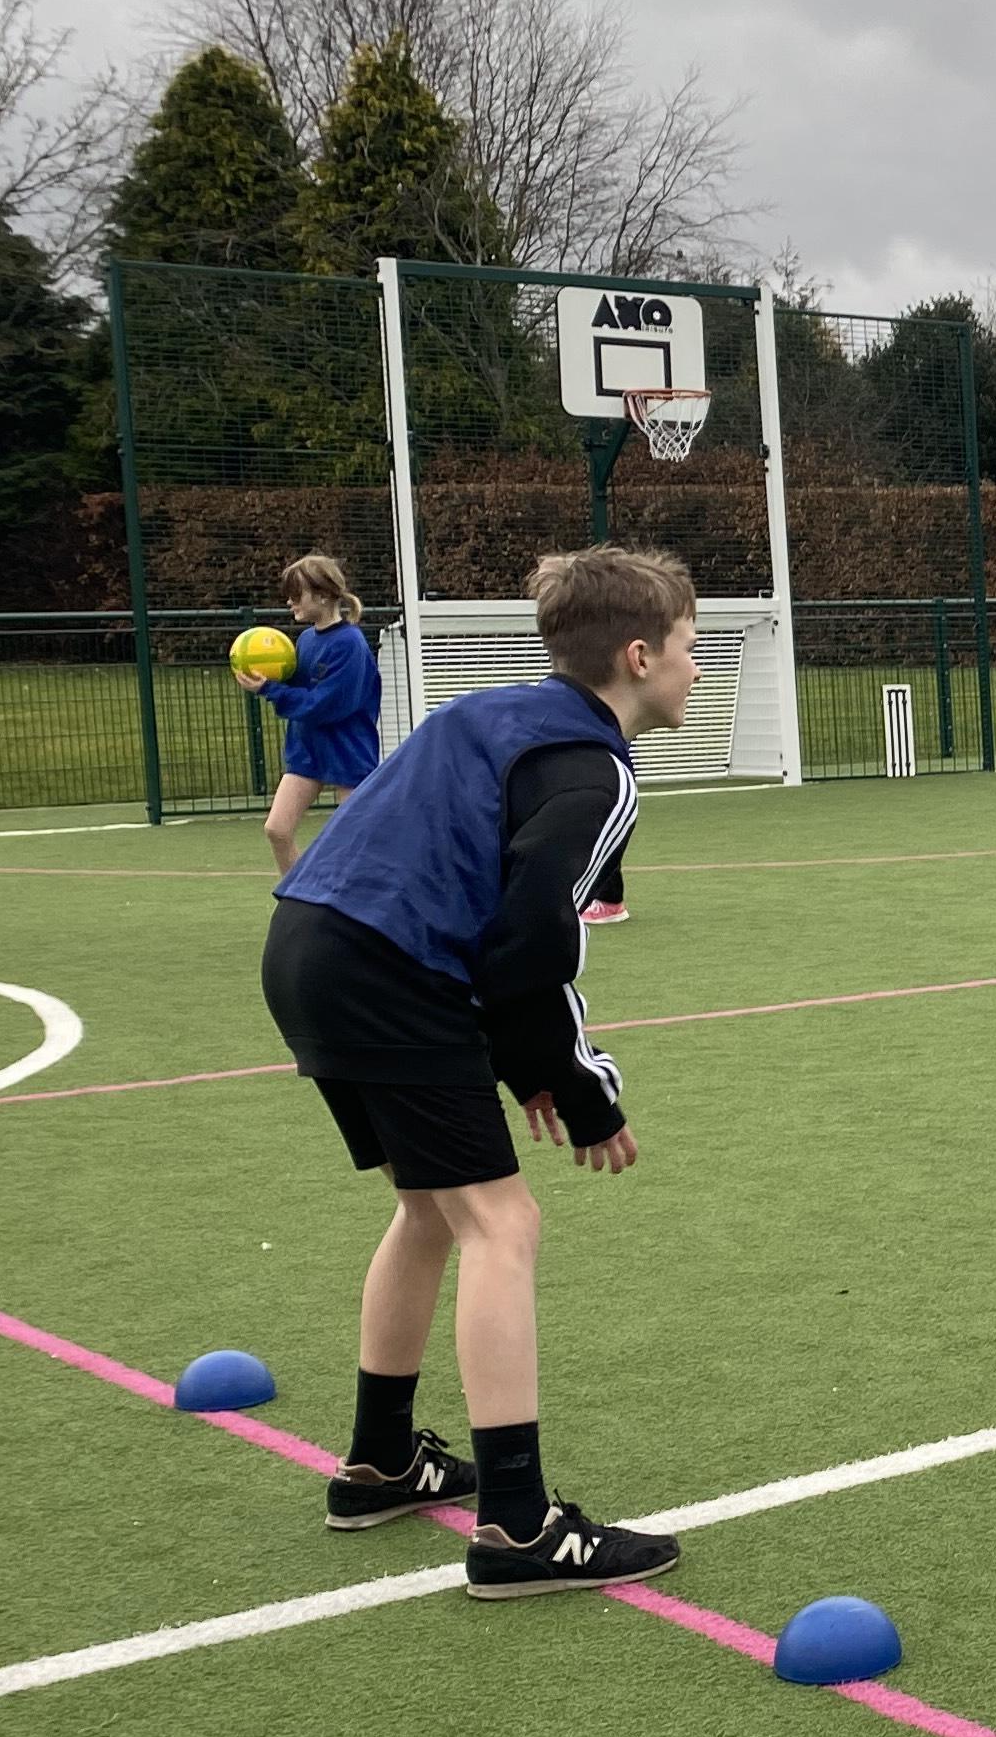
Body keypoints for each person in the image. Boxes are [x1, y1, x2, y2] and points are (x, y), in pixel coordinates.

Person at [258, 545, 700, 1596]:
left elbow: (462, 893)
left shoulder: (492, 713)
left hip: (307, 946)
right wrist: (580, 1089)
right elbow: (529, 942)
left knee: (429, 1207)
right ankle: (515, 1524)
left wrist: (519, 1062)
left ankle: (380, 1461)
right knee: (504, 1223)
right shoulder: (594, 771)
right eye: (690, 648)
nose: (697, 669)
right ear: (639, 657)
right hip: (386, 968)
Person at [241, 554, 385, 877]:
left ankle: (364, 900)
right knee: (277, 829)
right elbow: (299, 687)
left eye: (297, 594)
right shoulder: (306, 640)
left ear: (322, 595)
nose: (289, 601)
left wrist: (271, 690)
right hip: (308, 751)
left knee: (356, 842)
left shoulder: (350, 644)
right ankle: (297, 898)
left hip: (347, 751)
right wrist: (267, 678)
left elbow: (325, 705)